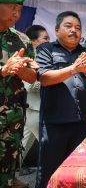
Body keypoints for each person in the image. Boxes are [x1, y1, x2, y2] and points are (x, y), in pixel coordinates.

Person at [33, 11, 86, 188]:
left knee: (78, 173)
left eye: (78, 27)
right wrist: (73, 68)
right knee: (48, 174)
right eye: (69, 26)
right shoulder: (47, 49)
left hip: (81, 123)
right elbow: (44, 77)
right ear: (57, 30)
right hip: (54, 122)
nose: (74, 31)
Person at [0, 0, 37, 188]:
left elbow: (32, 77)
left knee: (5, 179)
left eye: (19, 10)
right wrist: (3, 70)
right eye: (12, 8)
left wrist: (20, 69)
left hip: (11, 121)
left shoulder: (22, 40)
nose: (16, 13)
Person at [20, 25, 50, 168]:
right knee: (50, 148)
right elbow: (30, 85)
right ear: (34, 42)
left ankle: (10, 177)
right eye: (45, 38)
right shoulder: (33, 58)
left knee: (21, 147)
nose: (49, 41)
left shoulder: (40, 56)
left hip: (31, 110)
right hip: (36, 111)